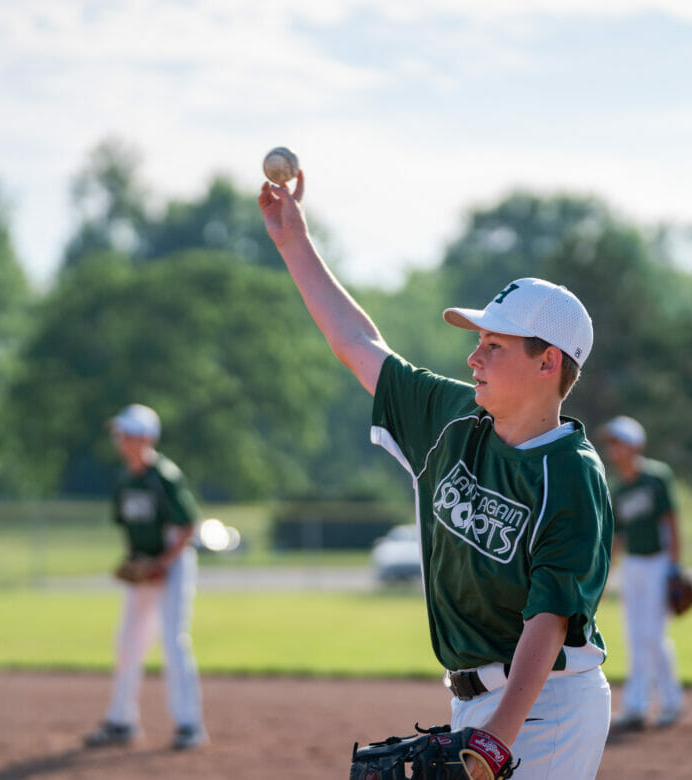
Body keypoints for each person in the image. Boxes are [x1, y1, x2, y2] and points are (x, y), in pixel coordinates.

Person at [260, 171, 613, 779]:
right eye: (478, 341)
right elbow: (359, 344)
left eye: (494, 345)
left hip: (547, 706)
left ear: (547, 361)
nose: (473, 356)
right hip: (472, 702)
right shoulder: (454, 420)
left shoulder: (571, 476)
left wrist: (495, 744)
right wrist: (295, 243)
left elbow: (548, 621)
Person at [82, 403, 208, 751]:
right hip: (146, 561)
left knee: (173, 641)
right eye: (120, 434)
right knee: (127, 642)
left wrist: (162, 565)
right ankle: (122, 720)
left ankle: (190, 725)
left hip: (174, 559)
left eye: (128, 434)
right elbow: (129, 527)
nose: (121, 441)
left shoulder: (163, 476)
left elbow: (187, 526)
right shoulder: (125, 480)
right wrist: (136, 562)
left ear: (147, 438)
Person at [601, 415, 685, 732]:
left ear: (636, 445)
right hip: (634, 565)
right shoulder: (618, 488)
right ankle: (649, 705)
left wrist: (675, 566)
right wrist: (606, 576)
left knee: (652, 636)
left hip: (658, 562)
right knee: (636, 637)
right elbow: (617, 538)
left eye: (618, 442)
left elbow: (671, 522)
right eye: (611, 442)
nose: (613, 449)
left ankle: (656, 703)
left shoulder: (656, 477)